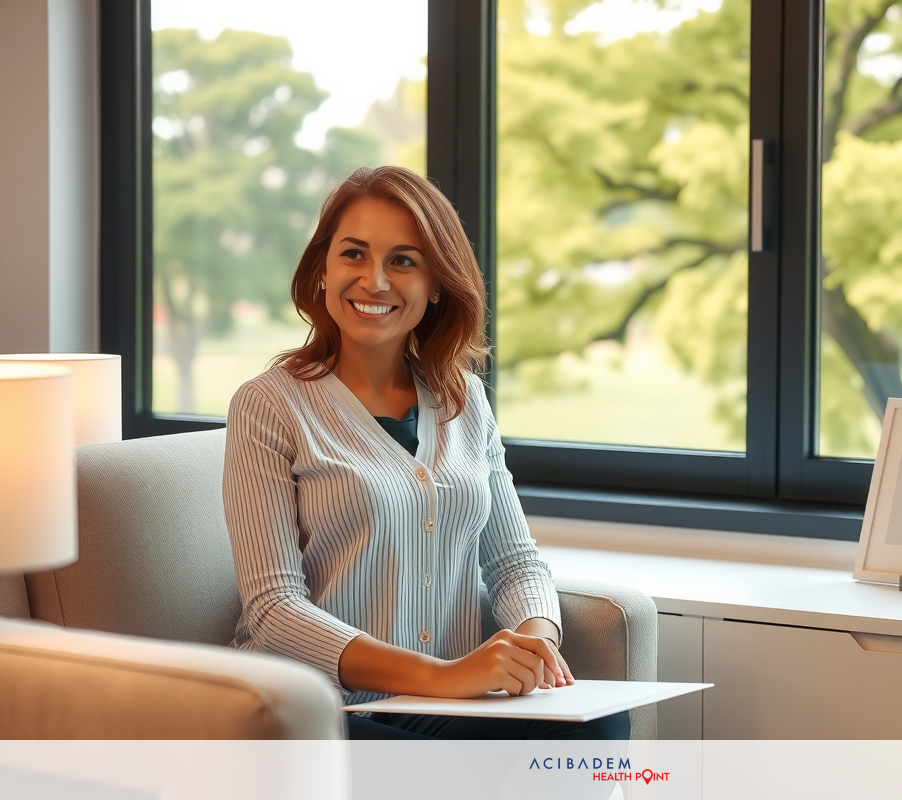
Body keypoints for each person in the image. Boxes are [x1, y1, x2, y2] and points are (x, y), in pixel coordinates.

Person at [222, 165, 629, 741]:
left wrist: (535, 640)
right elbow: (273, 609)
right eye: (354, 255)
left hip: (450, 702)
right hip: (322, 711)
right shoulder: (268, 406)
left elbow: (513, 560)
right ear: (322, 269)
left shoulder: (464, 400)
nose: (376, 281)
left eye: (403, 261)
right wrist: (440, 675)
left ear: (436, 283)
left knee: (599, 729)